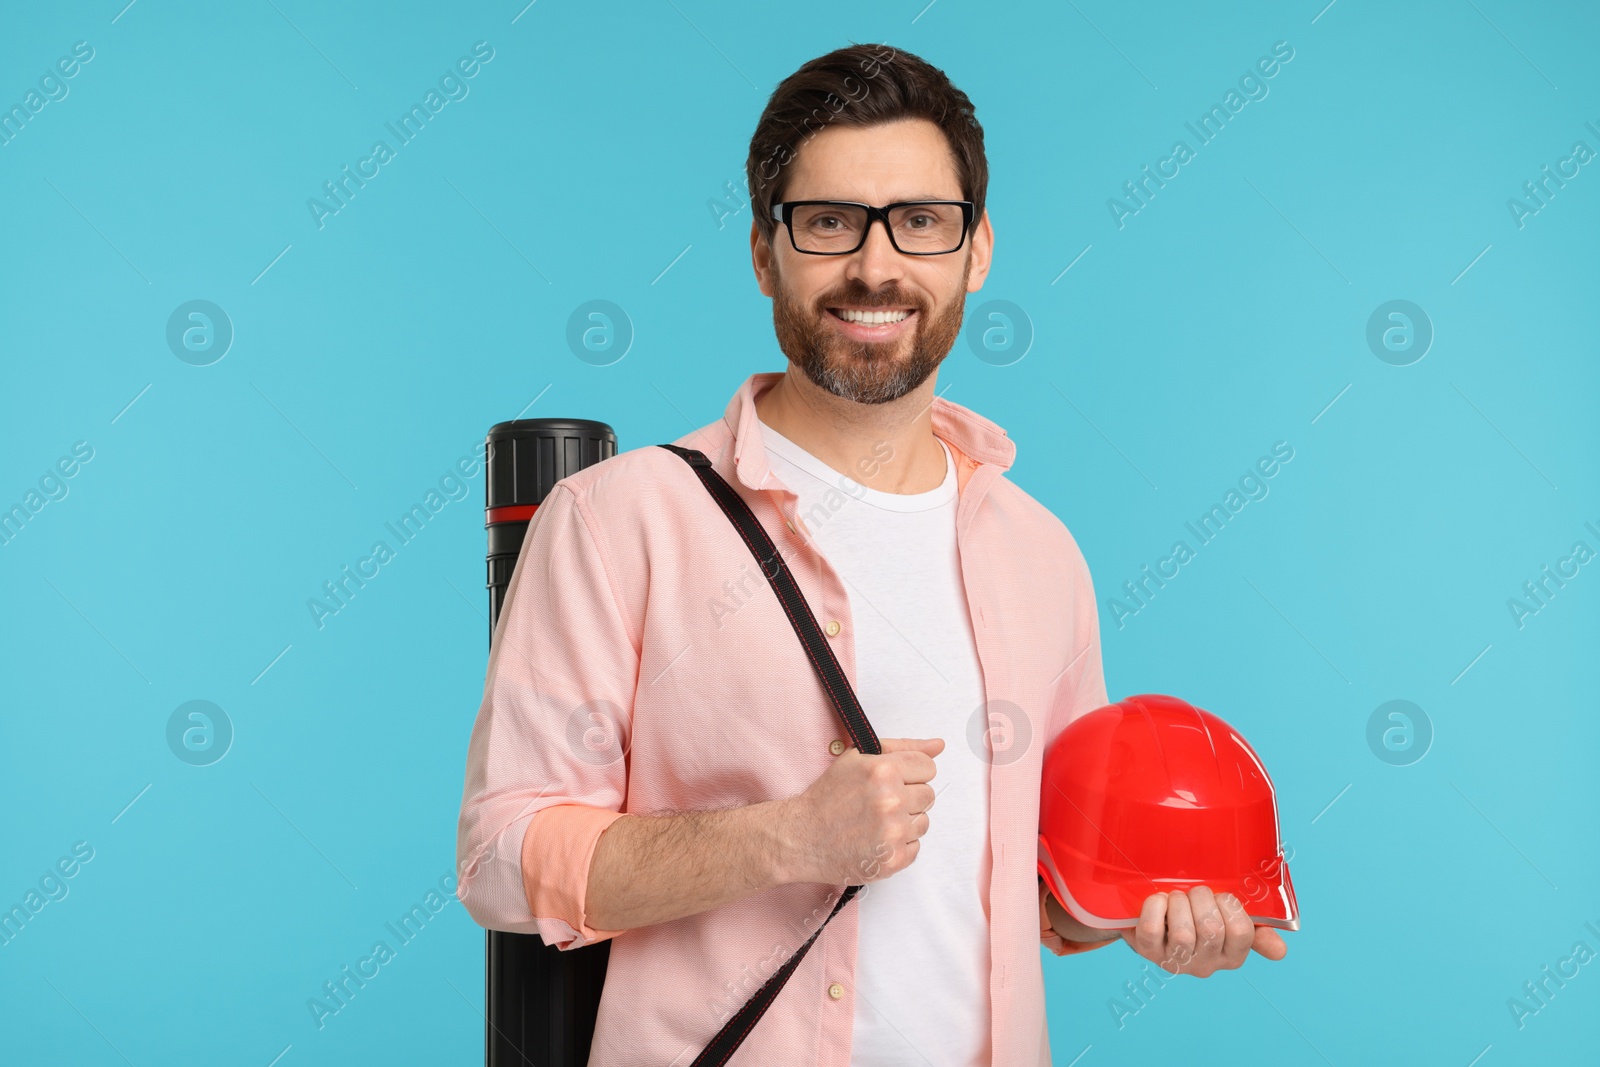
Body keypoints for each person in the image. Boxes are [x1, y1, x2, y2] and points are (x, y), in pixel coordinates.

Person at [455, 42, 1285, 1066]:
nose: (876, 266)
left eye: (921, 222)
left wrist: (1141, 912)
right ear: (765, 252)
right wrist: (785, 839)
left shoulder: (1039, 554)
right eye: (829, 221)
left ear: (976, 250)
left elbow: (1036, 886)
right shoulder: (615, 520)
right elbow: (499, 857)